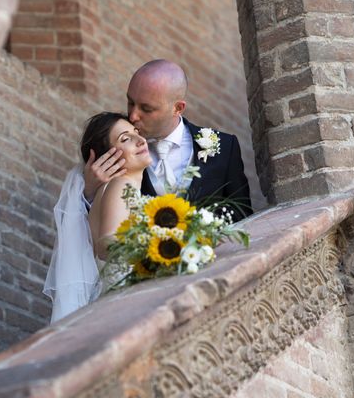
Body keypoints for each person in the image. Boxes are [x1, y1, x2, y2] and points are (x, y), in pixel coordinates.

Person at [84, 59, 252, 220]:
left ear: (178, 108)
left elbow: (243, 216)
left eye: (146, 109)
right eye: (130, 102)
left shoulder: (225, 147)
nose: (133, 115)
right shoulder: (120, 148)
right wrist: (90, 194)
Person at [43, 112, 152, 323]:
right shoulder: (122, 185)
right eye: (125, 139)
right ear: (107, 159)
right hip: (124, 305)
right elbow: (107, 245)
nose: (140, 140)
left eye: (136, 132)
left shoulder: (118, 190)